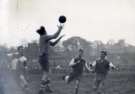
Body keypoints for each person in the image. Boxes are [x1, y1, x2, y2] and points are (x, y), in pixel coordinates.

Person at [37, 25, 64, 94]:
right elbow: (54, 36)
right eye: (45, 30)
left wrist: (60, 38)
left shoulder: (44, 39)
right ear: (44, 32)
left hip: (42, 57)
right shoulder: (44, 37)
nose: (46, 31)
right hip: (44, 57)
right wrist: (60, 29)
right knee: (46, 73)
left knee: (47, 72)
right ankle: (41, 89)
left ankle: (47, 88)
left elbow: (53, 44)